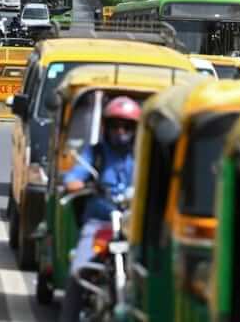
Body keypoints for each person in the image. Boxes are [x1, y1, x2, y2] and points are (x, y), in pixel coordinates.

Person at [59, 96, 141, 322]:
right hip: (100, 225)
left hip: (133, 227)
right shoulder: (94, 153)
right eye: (115, 125)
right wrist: (77, 183)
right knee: (79, 269)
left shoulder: (142, 157)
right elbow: (74, 176)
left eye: (127, 126)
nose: (120, 130)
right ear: (106, 125)